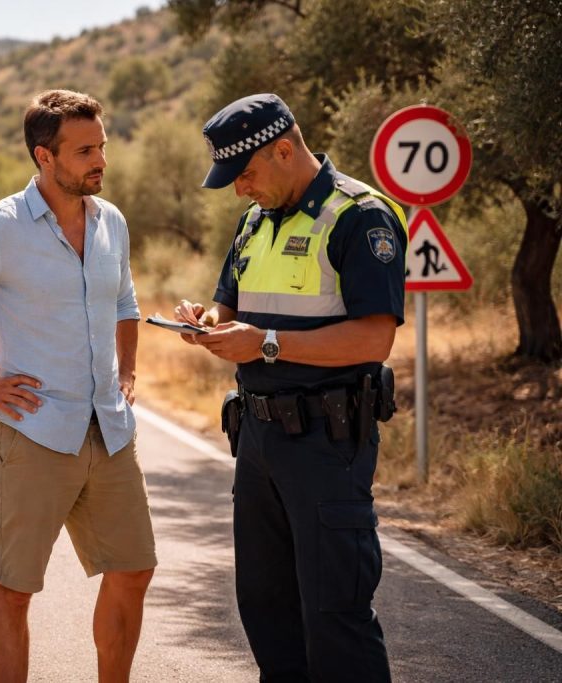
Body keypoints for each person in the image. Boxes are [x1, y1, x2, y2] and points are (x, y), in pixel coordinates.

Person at [0, 89, 156, 683]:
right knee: (14, 589)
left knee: (133, 570)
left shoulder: (110, 219)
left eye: (103, 146)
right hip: (35, 432)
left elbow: (125, 301)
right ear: (45, 156)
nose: (101, 161)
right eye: (85, 150)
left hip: (110, 431)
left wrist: (129, 372)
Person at [174, 93, 406, 682]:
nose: (238, 190)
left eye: (245, 174)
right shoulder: (255, 220)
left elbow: (374, 339)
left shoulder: (361, 216)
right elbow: (231, 308)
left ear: (284, 150)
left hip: (326, 444)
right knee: (265, 607)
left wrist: (267, 343)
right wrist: (204, 323)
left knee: (335, 615)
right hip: (256, 439)